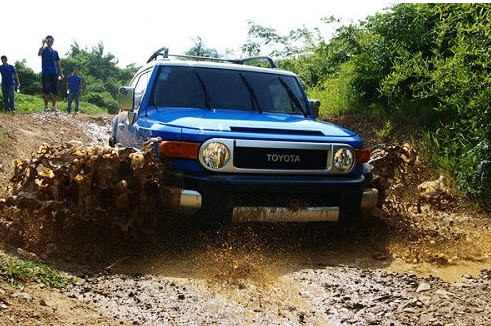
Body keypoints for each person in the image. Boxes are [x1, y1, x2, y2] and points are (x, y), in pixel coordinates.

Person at [38, 35, 63, 112]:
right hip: (46, 73)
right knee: (46, 90)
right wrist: (42, 45)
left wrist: (61, 73)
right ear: (46, 41)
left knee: (55, 91)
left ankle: (54, 106)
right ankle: (46, 106)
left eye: (52, 41)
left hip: (54, 73)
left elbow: (58, 63)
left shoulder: (55, 52)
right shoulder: (44, 50)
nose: (50, 42)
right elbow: (39, 54)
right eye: (48, 41)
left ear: (53, 42)